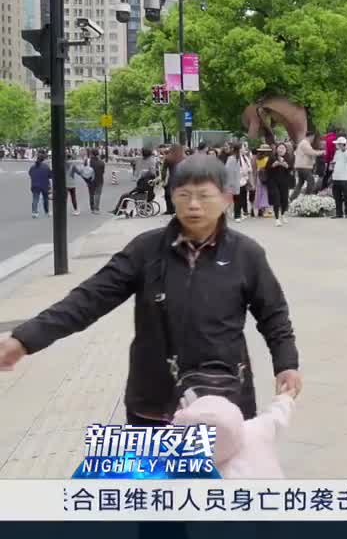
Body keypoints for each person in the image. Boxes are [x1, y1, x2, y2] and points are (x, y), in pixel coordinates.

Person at [0, 154, 302, 425]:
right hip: (154, 403)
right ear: (172, 196)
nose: (193, 205)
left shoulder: (246, 254)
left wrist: (286, 364)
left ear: (226, 199)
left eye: (204, 196)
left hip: (223, 403)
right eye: (184, 195)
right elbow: (89, 299)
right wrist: (25, 339)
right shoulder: (145, 250)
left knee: (219, 472)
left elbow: (273, 314)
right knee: (150, 472)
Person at [265, 142, 294, 226]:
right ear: (276, 149)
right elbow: (266, 169)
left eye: (283, 148)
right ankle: (277, 219)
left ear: (285, 150)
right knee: (276, 200)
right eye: (279, 148)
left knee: (284, 200)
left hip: (284, 182)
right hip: (274, 182)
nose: (281, 150)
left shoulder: (289, 158)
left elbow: (291, 169)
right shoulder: (272, 158)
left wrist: (287, 166)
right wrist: (273, 165)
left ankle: (283, 215)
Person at [331, 136, 347, 219]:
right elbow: (334, 161)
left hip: (345, 178)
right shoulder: (337, 152)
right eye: (338, 144)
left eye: (339, 144)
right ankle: (339, 213)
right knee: (337, 197)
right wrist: (332, 166)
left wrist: (345, 149)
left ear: (344, 144)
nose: (338, 146)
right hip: (336, 177)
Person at [291, 132, 320, 201]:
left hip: (301, 166)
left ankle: (292, 197)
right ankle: (307, 197)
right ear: (311, 136)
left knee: (300, 183)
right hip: (304, 166)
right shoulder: (305, 143)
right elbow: (311, 152)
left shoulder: (303, 143)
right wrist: (322, 152)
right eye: (313, 137)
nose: (313, 139)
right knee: (311, 180)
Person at [28, 152, 52, 218]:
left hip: (35, 185)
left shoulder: (32, 167)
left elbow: (30, 173)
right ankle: (47, 212)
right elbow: (50, 176)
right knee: (45, 199)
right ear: (43, 159)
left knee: (35, 199)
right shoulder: (46, 166)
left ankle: (34, 212)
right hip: (44, 185)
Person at [253, 144, 272, 218]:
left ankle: (262, 209)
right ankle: (265, 210)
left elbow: (256, 168)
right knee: (265, 193)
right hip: (266, 176)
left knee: (260, 193)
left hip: (259, 177)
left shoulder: (258, 158)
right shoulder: (267, 158)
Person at [319, 126, 338, 192]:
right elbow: (332, 150)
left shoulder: (325, 138)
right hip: (332, 160)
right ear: (335, 132)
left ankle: (323, 187)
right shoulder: (334, 138)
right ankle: (326, 188)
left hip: (325, 159)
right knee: (331, 174)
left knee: (326, 175)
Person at [88, 149, 106, 215]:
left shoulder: (88, 162)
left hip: (90, 180)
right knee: (97, 194)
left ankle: (92, 208)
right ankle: (96, 208)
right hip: (99, 180)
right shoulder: (101, 162)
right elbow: (103, 172)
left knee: (91, 194)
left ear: (92, 154)